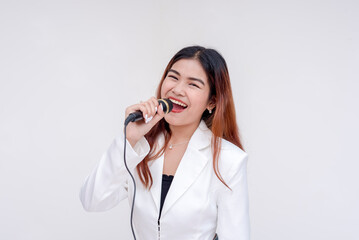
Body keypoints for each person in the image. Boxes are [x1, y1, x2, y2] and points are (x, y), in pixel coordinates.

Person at [80, 46, 250, 240]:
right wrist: (129, 140)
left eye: (193, 84)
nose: (177, 90)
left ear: (211, 102)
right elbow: (92, 200)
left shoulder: (229, 160)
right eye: (173, 77)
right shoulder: (141, 147)